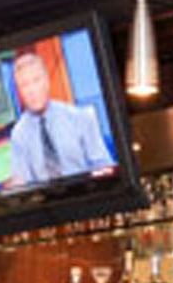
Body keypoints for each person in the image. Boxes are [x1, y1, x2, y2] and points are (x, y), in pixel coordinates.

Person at [8, 52, 113, 188]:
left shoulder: (80, 117)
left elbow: (104, 167)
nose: (32, 90)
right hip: (46, 205)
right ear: (19, 92)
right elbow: (23, 185)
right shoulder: (19, 134)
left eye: (36, 80)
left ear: (47, 81)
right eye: (24, 85)